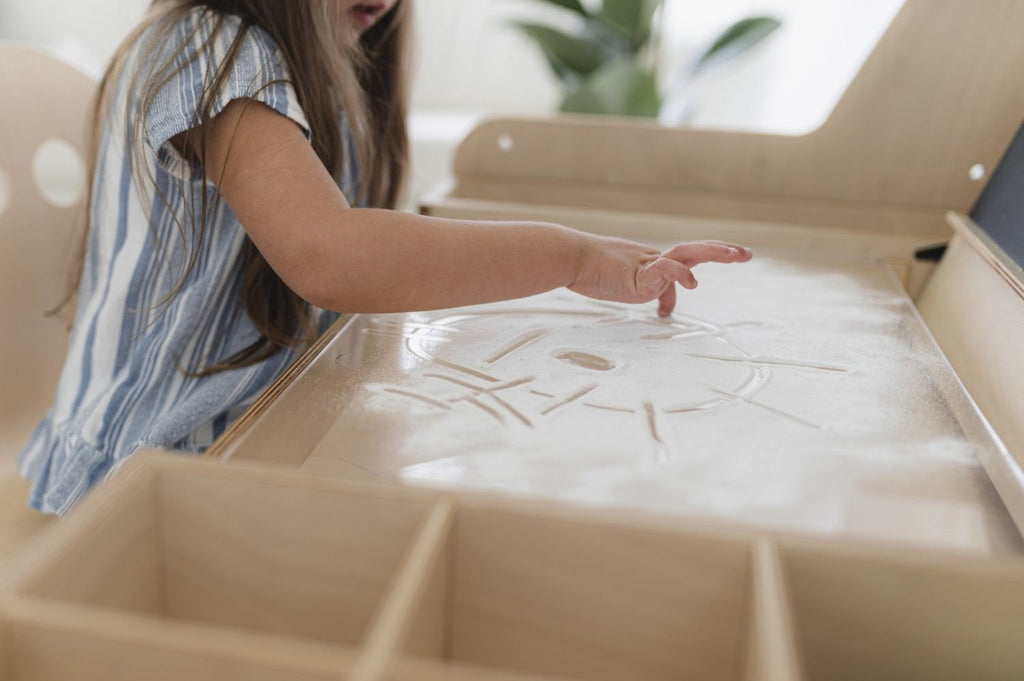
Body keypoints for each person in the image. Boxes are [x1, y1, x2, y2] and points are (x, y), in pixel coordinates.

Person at [19, 0, 753, 516]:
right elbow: (331, 256)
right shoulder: (208, 47)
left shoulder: (327, 61)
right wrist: (566, 255)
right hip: (154, 470)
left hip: (264, 428)